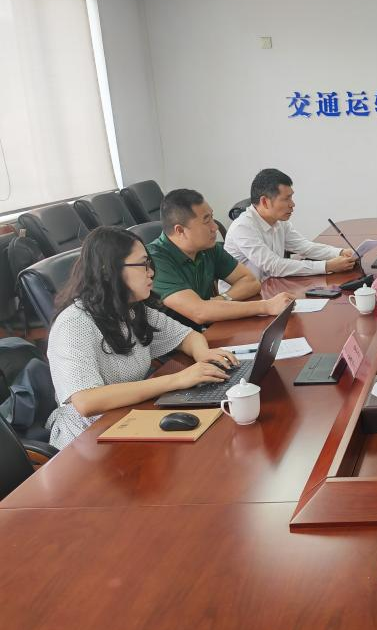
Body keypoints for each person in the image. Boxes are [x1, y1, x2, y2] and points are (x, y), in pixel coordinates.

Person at [45, 227, 240, 450]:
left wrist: (203, 354)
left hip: (129, 419)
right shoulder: (74, 323)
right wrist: (178, 379)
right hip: (87, 439)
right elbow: (87, 401)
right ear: (109, 270)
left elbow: (187, 336)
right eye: (143, 265)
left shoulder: (132, 309)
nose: (151, 273)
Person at [146, 188, 294, 327]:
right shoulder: (154, 260)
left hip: (208, 330)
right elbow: (199, 312)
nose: (214, 227)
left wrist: (222, 299)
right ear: (180, 230)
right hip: (177, 343)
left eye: (212, 217)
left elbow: (250, 282)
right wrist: (265, 306)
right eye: (206, 221)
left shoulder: (207, 248)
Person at [224, 168, 357, 282]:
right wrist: (327, 266)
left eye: (291, 197)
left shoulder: (279, 222)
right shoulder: (242, 227)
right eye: (286, 199)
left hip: (271, 286)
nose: (292, 204)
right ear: (264, 202)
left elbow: (305, 247)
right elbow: (274, 266)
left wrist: (340, 252)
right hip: (243, 298)